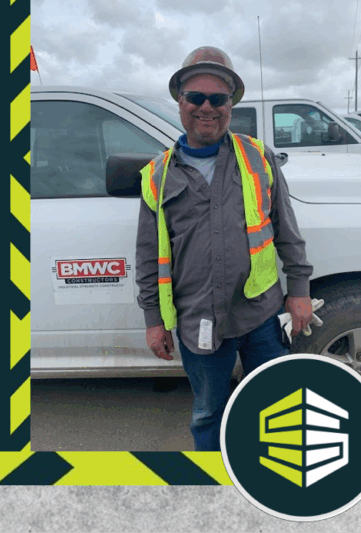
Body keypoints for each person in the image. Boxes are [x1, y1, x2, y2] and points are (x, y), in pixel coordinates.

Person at [135, 46, 314, 451]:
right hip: (197, 321)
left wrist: (299, 290)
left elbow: (287, 229)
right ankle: (212, 489)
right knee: (208, 412)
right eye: (195, 97)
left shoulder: (258, 158)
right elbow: (148, 257)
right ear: (180, 102)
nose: (207, 107)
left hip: (262, 315)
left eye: (218, 99)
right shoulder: (156, 176)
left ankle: (268, 480)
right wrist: (153, 319)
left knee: (275, 408)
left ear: (231, 104)